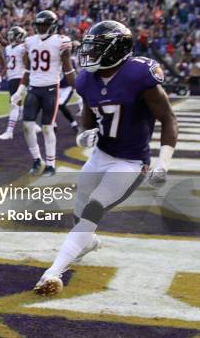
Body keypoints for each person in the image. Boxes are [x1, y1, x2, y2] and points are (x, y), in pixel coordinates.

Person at [34, 20, 178, 296]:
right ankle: (86, 244)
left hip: (131, 162)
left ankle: (53, 271)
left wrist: (164, 162)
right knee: (80, 212)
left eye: (96, 47)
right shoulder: (88, 79)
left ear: (116, 50)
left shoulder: (139, 75)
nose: (88, 52)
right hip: (101, 155)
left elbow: (168, 119)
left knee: (93, 209)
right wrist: (84, 136)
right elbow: (88, 119)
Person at [11, 10, 75, 176]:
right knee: (27, 125)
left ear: (52, 26)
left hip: (51, 89)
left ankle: (51, 164)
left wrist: (80, 90)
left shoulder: (61, 41)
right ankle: (37, 159)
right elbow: (27, 69)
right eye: (39, 25)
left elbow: (68, 69)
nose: (41, 28)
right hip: (33, 88)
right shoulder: (30, 41)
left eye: (45, 25)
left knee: (47, 128)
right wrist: (20, 90)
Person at [0, 26, 27, 139]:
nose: (10, 37)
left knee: (14, 104)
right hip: (12, 77)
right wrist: (1, 74)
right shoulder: (9, 48)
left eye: (12, 35)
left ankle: (9, 131)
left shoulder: (22, 48)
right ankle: (33, 123)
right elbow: (9, 63)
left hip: (19, 76)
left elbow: (26, 63)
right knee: (17, 104)